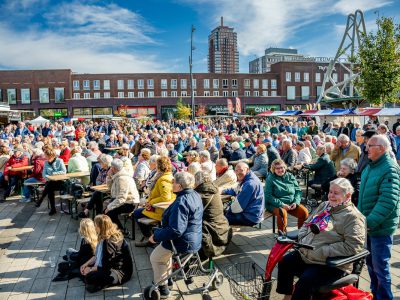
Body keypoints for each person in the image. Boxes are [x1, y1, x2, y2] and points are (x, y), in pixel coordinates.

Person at [277, 178, 366, 300]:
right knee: (285, 262)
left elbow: (353, 246)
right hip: (309, 255)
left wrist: (324, 251)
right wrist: (302, 239)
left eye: (336, 193)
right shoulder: (325, 206)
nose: (331, 196)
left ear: (347, 195)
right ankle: (288, 296)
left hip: (331, 264)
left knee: (305, 281)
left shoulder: (353, 217)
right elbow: (306, 224)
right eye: (330, 192)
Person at [358, 134, 400, 300]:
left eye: (370, 145)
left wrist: (369, 222)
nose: (366, 148)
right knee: (371, 266)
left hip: (379, 228)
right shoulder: (371, 166)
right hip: (368, 226)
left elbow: (388, 201)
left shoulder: (389, 168)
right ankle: (375, 295)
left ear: (382, 148)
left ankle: (384, 297)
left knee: (380, 268)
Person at [149, 172, 203, 298]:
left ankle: (162, 288)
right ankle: (168, 281)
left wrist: (156, 236)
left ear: (179, 186)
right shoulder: (195, 194)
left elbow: (176, 230)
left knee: (156, 257)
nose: (171, 185)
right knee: (164, 255)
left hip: (182, 241)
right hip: (195, 237)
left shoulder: (181, 202)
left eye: (173, 183)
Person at [80, 215, 133, 293]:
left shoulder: (109, 243)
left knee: (90, 277)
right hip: (106, 265)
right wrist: (85, 264)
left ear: (101, 227)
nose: (94, 227)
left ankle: (98, 282)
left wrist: (90, 269)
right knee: (83, 260)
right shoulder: (103, 236)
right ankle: (93, 280)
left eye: (96, 225)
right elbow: (96, 256)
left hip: (118, 272)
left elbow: (106, 266)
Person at [134, 157, 176, 247]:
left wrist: (151, 202)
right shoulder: (167, 176)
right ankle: (152, 236)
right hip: (158, 207)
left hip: (160, 210)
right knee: (138, 211)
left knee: (136, 213)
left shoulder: (163, 179)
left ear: (159, 166)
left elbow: (166, 197)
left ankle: (150, 238)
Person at [194, 171, 232, 258]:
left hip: (212, 233)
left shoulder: (200, 194)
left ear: (196, 182)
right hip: (222, 228)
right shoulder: (214, 189)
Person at [265, 159, 308, 232]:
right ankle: (282, 237)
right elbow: (268, 196)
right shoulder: (270, 178)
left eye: (282, 167)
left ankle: (301, 233)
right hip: (275, 204)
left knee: (304, 212)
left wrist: (296, 202)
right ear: (273, 169)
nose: (280, 170)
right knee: (282, 213)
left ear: (285, 167)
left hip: (291, 203)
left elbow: (298, 191)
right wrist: (281, 204)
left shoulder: (290, 176)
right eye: (277, 168)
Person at [105, 159, 140, 230]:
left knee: (109, 212)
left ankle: (121, 231)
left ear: (113, 168)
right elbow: (110, 188)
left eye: (111, 167)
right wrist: (109, 177)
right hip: (124, 201)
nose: (110, 168)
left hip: (130, 203)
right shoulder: (118, 175)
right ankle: (114, 230)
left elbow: (122, 198)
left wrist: (109, 207)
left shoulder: (122, 178)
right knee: (105, 208)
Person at [37, 147, 67, 215]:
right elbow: (44, 174)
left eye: (46, 156)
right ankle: (52, 208)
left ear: (52, 156)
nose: (45, 157)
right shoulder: (46, 162)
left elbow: (64, 172)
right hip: (50, 182)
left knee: (49, 186)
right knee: (50, 187)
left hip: (60, 182)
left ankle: (42, 200)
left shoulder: (59, 161)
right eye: (45, 156)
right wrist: (48, 177)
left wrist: (53, 174)